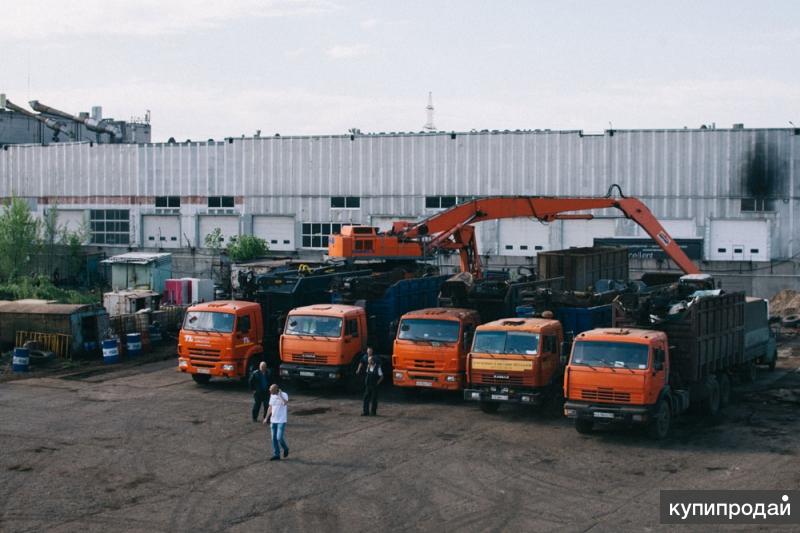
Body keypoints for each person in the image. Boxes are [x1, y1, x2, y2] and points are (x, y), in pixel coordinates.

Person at [263, 384, 289, 460]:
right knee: (273, 438)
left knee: (279, 438)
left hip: (281, 420)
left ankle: (286, 448)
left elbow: (285, 403)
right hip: (273, 420)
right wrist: (266, 418)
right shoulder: (272, 395)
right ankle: (276, 454)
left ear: (275, 389)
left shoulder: (284, 394)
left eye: (270, 389)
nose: (269, 390)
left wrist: (280, 395)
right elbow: (270, 407)